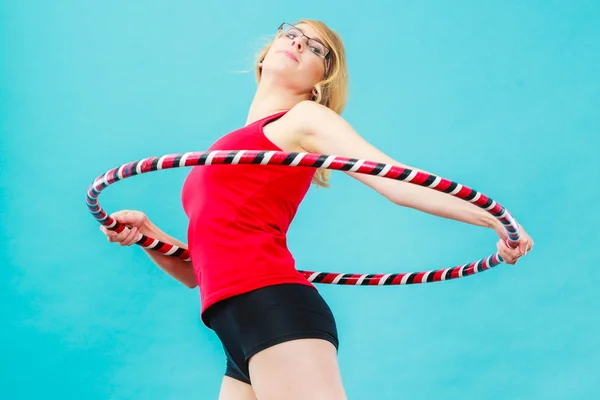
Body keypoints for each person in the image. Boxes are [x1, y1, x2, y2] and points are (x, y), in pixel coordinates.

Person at [100, 20, 534, 400]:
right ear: (267, 52)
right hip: (233, 322)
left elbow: (396, 181)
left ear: (321, 81)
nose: (299, 43)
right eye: (292, 34)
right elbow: (200, 272)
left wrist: (496, 220)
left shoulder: (303, 119)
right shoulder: (228, 145)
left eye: (316, 48)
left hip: (272, 305)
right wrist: (146, 236)